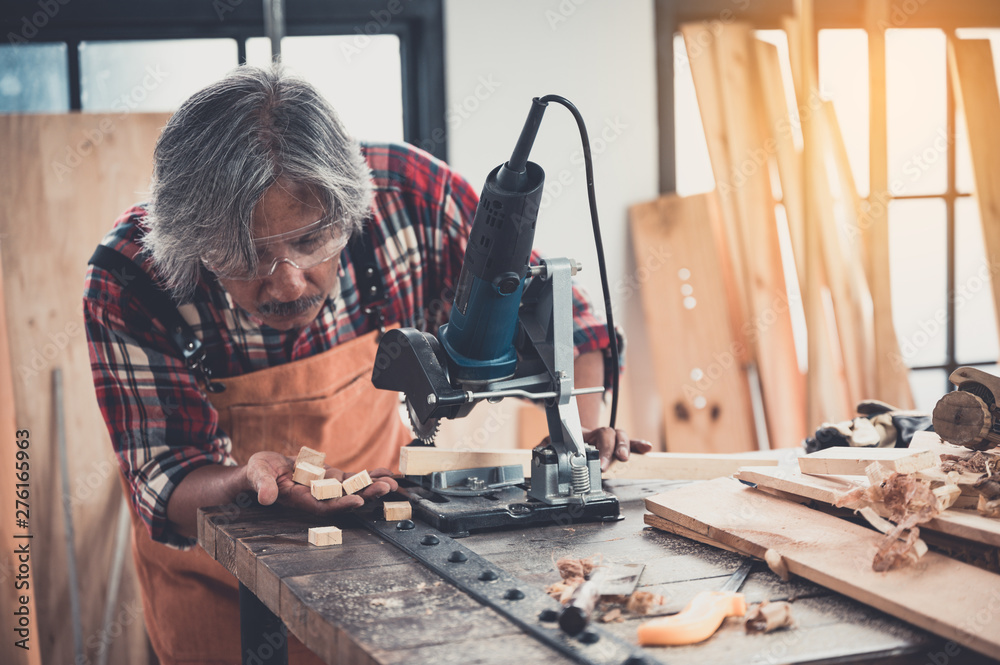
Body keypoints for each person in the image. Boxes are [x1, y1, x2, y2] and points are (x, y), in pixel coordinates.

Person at [83, 64, 650, 665]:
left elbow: (573, 324)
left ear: (349, 209)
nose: (287, 285)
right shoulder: (130, 277)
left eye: (309, 242)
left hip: (383, 551)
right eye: (245, 256)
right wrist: (248, 483)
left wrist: (579, 431)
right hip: (216, 588)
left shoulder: (410, 196)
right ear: (192, 243)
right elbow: (165, 478)